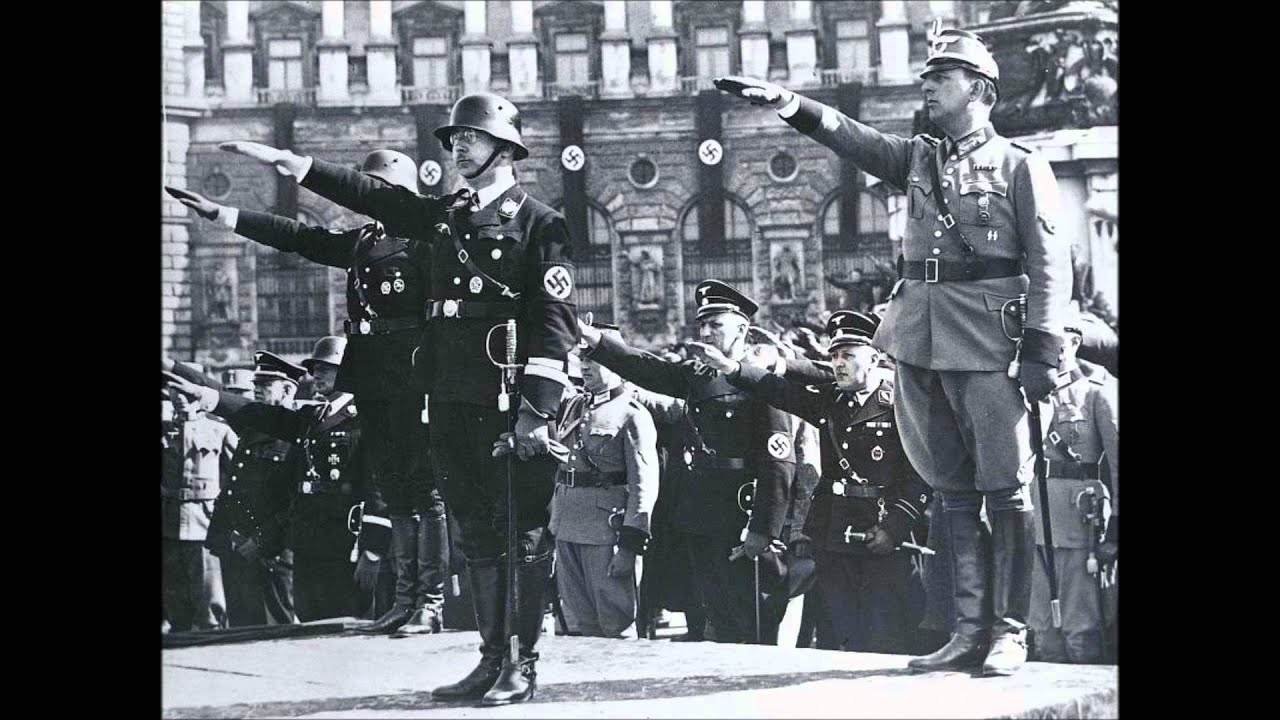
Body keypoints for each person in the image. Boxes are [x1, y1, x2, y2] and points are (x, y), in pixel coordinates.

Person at [715, 23, 1072, 675]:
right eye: (927, 77)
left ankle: (1009, 631)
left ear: (980, 89)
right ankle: (969, 628)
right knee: (954, 493)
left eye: (942, 77)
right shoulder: (919, 161)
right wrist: (789, 103)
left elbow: (1051, 264)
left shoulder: (1020, 166)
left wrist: (1042, 351)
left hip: (990, 344)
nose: (927, 86)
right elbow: (854, 139)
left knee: (1005, 490)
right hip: (922, 342)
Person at [219, 91, 577, 705]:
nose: (457, 147)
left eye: (469, 137)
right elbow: (376, 198)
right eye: (453, 139)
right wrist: (296, 165)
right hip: (448, 398)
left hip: (505, 400)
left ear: (505, 147)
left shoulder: (539, 222)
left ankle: (522, 661)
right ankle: (491, 658)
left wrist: (535, 411)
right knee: (474, 533)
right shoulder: (446, 217)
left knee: (519, 534)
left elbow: (554, 321)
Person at [167, 149, 447, 636]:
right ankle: (405, 601)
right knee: (398, 490)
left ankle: (431, 601)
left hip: (413, 377)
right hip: (373, 378)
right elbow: (298, 237)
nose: (369, 199)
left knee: (425, 494)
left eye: (378, 190)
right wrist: (224, 215)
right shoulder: (364, 242)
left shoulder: (426, 241)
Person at [691, 311, 934, 654]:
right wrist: (732, 368)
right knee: (839, 633)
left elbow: (921, 473)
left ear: (874, 358)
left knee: (887, 634)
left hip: (883, 535)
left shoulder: (900, 402)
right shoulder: (831, 399)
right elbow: (776, 390)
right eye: (834, 356)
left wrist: (894, 527)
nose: (839, 364)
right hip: (834, 534)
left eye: (848, 355)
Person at [579, 280, 797, 646]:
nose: (706, 333)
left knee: (747, 622)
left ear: (742, 328)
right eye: (703, 325)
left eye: (716, 324)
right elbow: (645, 367)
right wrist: (597, 341)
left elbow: (779, 463)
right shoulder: (698, 375)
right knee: (708, 619)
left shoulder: (761, 380)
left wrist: (763, 529)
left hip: (740, 518)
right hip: (699, 514)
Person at [539, 323, 659, 637]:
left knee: (615, 623)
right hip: (567, 527)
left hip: (607, 534)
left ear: (617, 364)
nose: (587, 366)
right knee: (577, 625)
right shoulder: (574, 407)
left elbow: (644, 485)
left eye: (596, 359)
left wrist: (631, 544)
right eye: (583, 358)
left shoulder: (632, 414)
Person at [1028, 314, 1118, 664]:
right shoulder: (1028, 388)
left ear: (1075, 342)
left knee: (1081, 626)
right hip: (1035, 516)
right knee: (1040, 627)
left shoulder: (1097, 391)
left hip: (1080, 520)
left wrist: (1115, 531)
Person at [200, 353, 301, 628]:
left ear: (287, 390)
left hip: (270, 551)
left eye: (265, 384)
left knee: (276, 629)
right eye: (256, 383)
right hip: (236, 545)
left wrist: (260, 541)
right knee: (241, 628)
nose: (256, 389)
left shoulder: (297, 431)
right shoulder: (251, 427)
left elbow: (294, 502)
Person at [162, 363, 236, 631]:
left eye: (183, 388)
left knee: (209, 599)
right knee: (174, 599)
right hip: (168, 523)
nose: (178, 395)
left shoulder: (218, 430)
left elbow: (240, 475)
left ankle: (212, 639)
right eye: (172, 388)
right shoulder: (164, 429)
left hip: (205, 523)